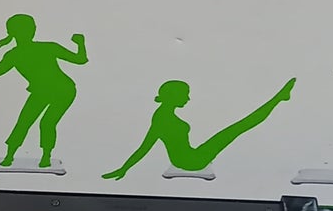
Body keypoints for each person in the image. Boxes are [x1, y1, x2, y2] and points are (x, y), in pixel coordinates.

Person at [104, 76, 294, 180]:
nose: (188, 98)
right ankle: (278, 98)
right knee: (238, 128)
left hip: (191, 156)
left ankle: (278, 98)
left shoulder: (162, 114)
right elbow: (145, 147)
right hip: (192, 161)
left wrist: (124, 168)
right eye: (185, 94)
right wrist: (124, 168)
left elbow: (145, 146)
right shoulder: (161, 118)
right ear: (173, 96)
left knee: (237, 128)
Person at [0, 14, 87, 169]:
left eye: (30, 28)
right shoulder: (14, 55)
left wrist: (81, 43)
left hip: (63, 90)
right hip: (41, 91)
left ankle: (46, 157)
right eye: (27, 29)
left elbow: (80, 59)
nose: (31, 31)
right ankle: (9, 156)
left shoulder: (47, 48)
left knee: (47, 123)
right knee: (24, 122)